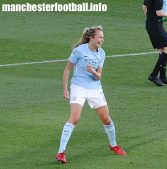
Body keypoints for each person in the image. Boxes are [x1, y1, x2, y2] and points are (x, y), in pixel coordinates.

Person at [56, 26, 126, 164]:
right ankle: (61, 152)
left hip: (95, 89)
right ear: (92, 37)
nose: (102, 40)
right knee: (75, 118)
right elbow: (67, 69)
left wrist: (93, 72)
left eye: (103, 37)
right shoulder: (79, 51)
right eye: (100, 37)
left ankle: (113, 145)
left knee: (106, 119)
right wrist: (65, 89)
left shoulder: (102, 53)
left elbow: (98, 76)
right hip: (78, 87)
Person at [143, 0, 167, 86]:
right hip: (155, 25)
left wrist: (150, 17)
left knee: (163, 50)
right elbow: (159, 12)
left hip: (151, 24)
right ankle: (153, 75)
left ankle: (163, 77)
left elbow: (144, 6)